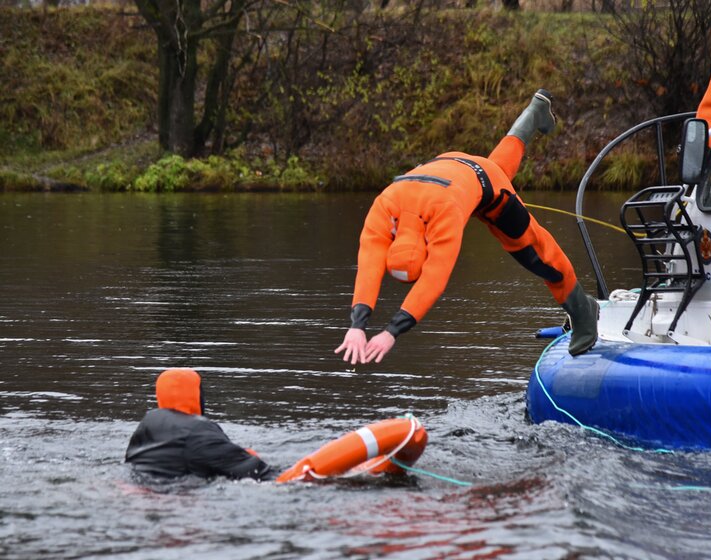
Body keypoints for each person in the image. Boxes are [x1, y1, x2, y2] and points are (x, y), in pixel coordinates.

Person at [335, 89, 599, 365]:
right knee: (496, 164)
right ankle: (534, 114)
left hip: (487, 190)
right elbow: (369, 264)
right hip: (450, 163)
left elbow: (434, 280)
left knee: (540, 257)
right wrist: (357, 325)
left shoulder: (442, 218)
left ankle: (583, 311)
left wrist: (392, 332)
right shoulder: (384, 204)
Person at [125, 368, 274, 480]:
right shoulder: (198, 429)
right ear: (196, 395)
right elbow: (257, 472)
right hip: (177, 497)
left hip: (140, 488)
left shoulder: (148, 423)